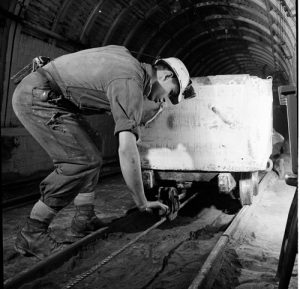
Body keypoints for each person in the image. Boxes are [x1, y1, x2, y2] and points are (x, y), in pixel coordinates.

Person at [12, 45, 192, 259]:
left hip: (49, 95)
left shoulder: (127, 60)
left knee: (93, 147)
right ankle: (33, 232)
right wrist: (142, 201)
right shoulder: (130, 82)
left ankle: (84, 218)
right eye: (170, 92)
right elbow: (126, 150)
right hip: (37, 97)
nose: (164, 100)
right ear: (166, 74)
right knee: (81, 161)